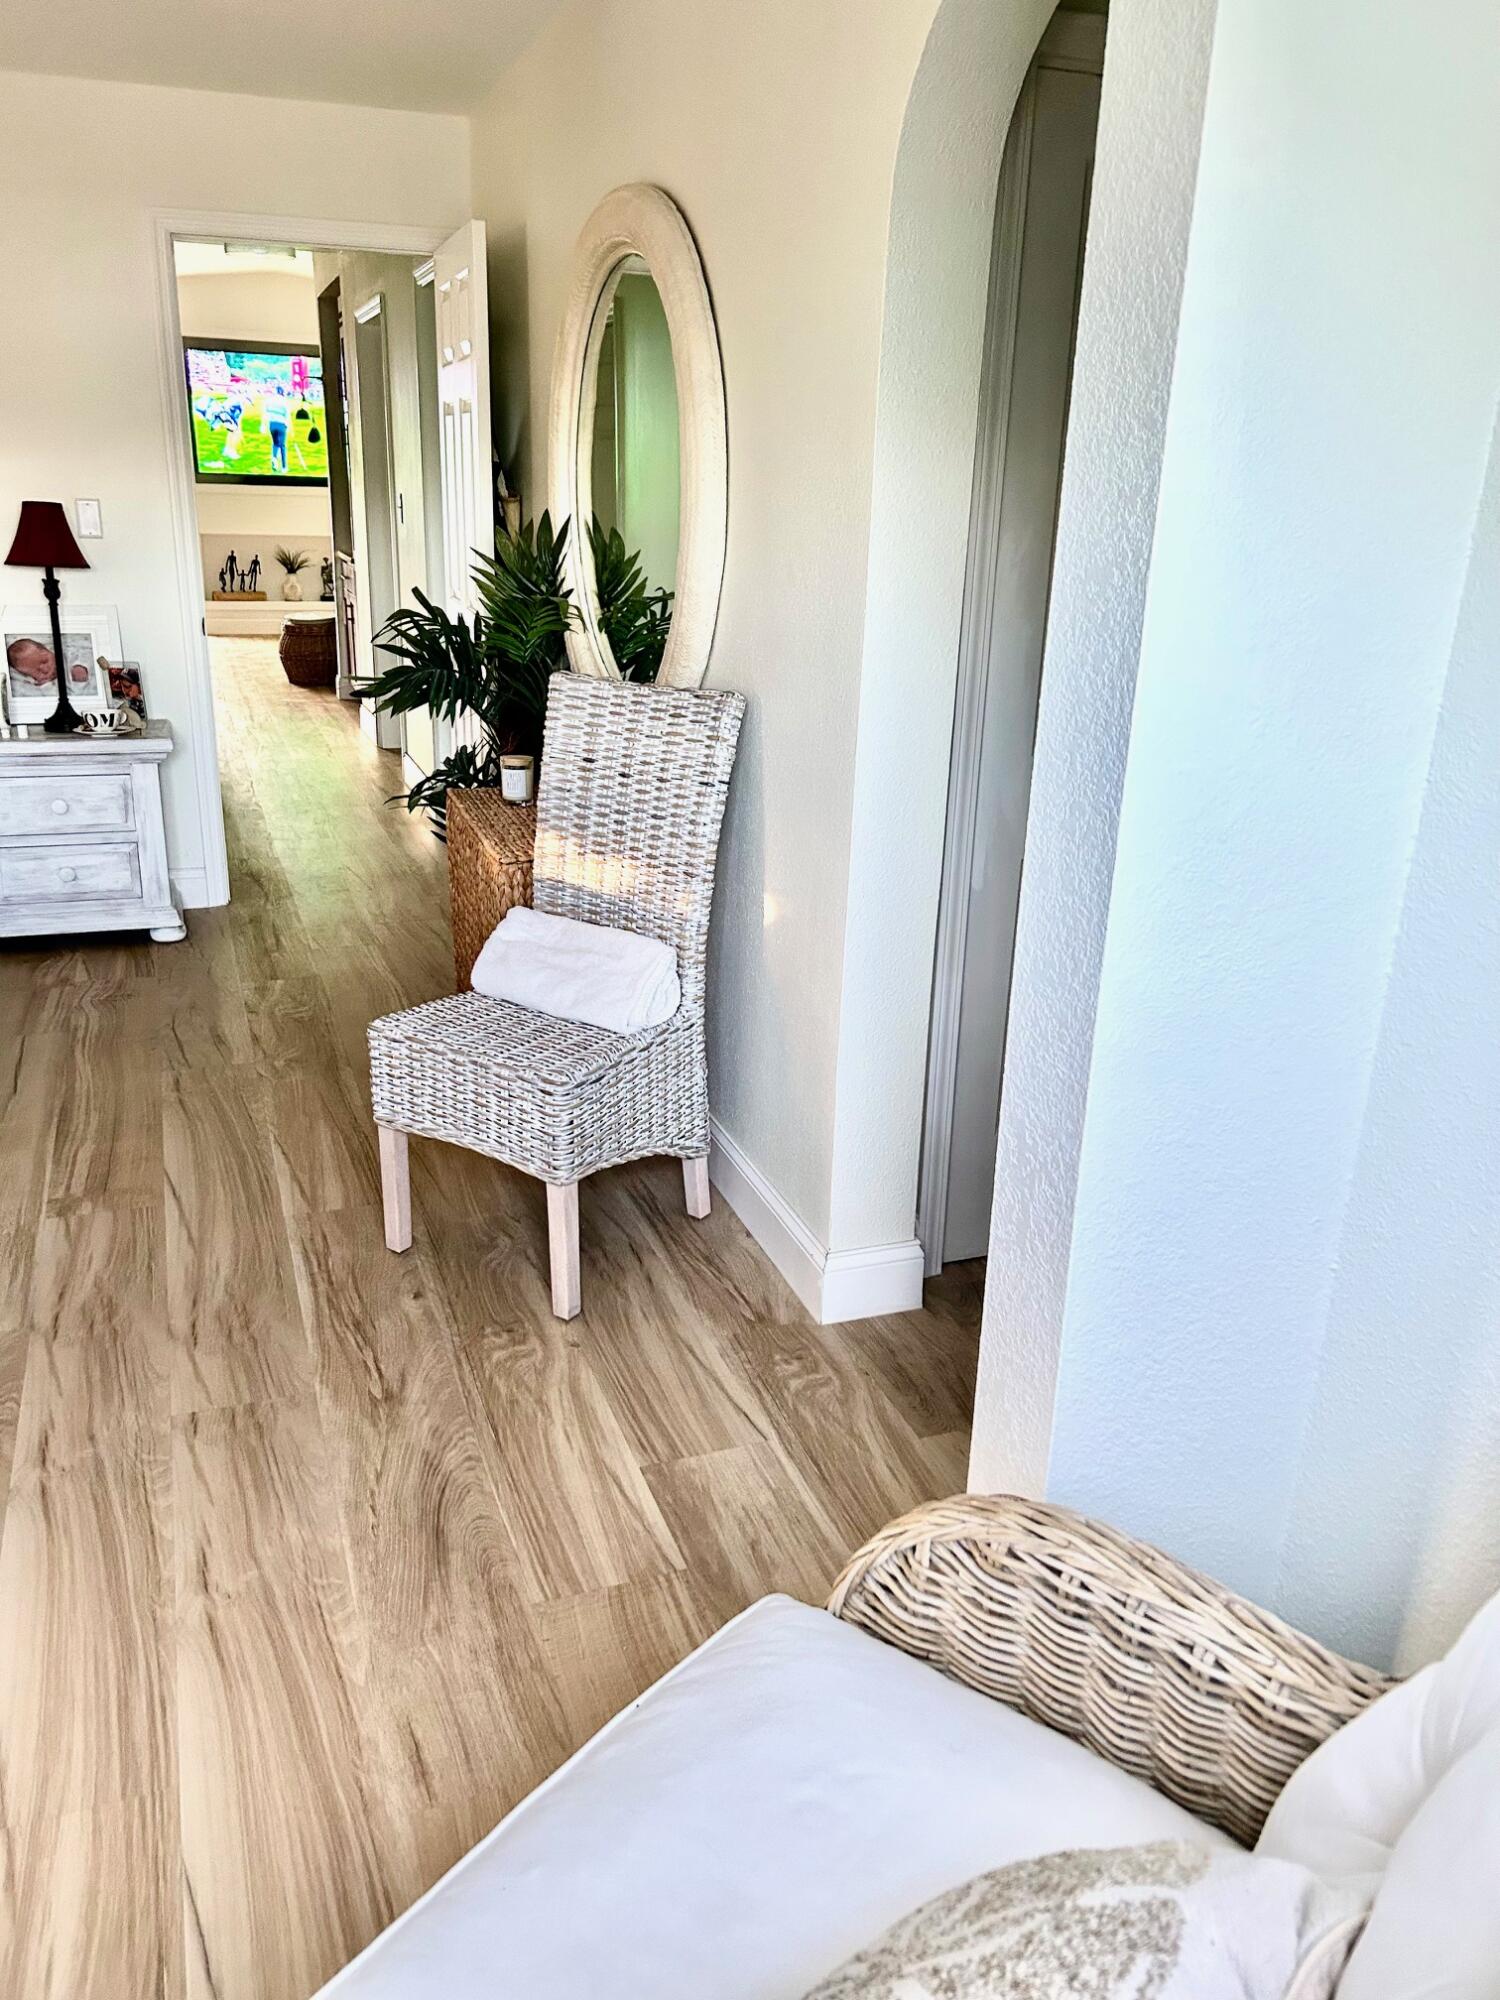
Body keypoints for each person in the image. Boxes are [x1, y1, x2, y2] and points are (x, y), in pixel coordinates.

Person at [261, 386, 290, 473]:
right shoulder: (284, 401)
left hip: (272, 424)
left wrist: (263, 425)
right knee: (282, 446)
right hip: (281, 424)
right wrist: (288, 426)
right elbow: (287, 414)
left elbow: (265, 413)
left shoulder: (270, 400)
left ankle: (274, 459)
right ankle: (284, 467)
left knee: (275, 444)